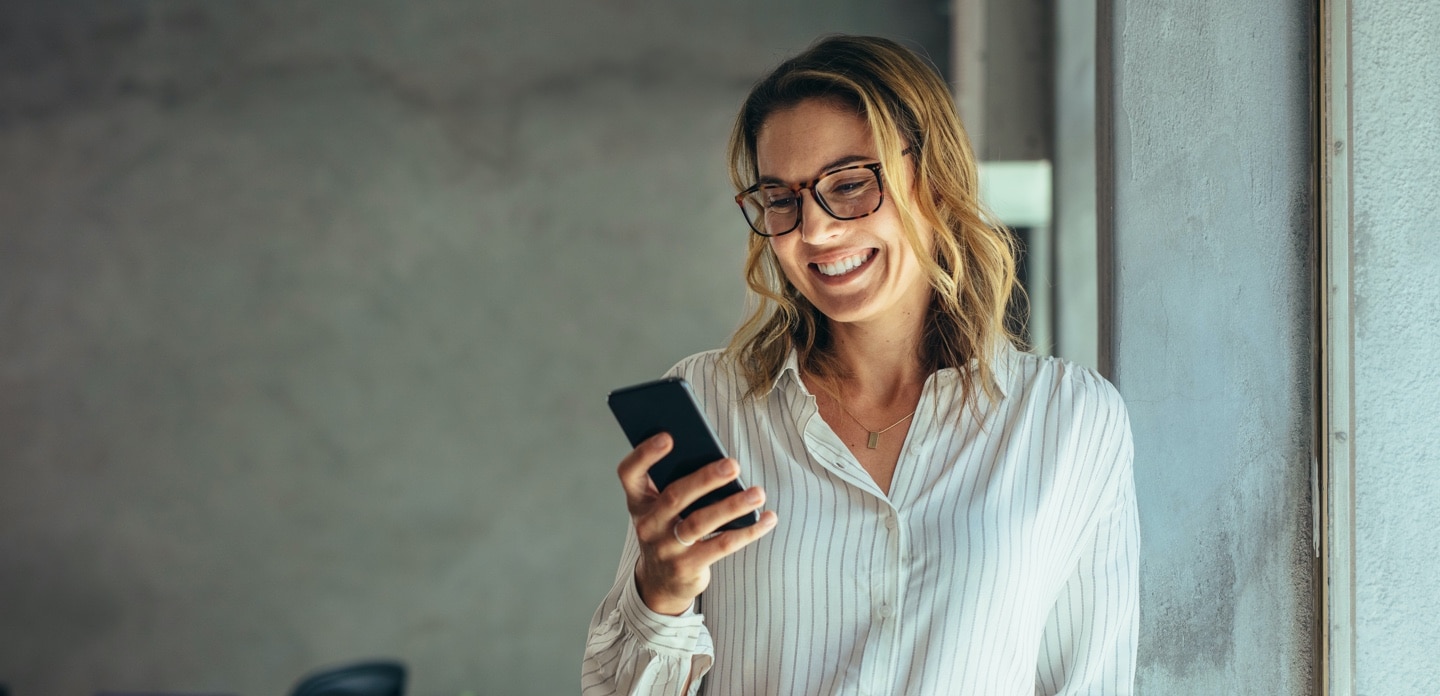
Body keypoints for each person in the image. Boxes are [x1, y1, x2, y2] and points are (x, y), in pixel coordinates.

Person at [582, 35, 1138, 695]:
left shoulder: (1071, 421)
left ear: (933, 180)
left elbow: (1090, 682)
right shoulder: (710, 401)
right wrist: (661, 594)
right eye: (781, 200)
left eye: (848, 185)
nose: (813, 232)